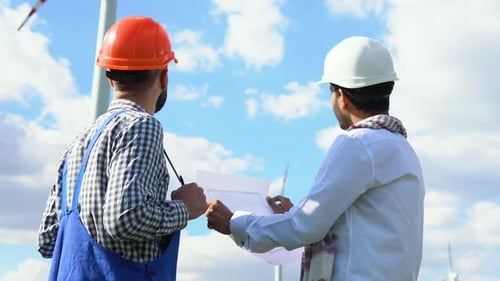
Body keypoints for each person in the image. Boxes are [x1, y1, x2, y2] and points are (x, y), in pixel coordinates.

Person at [206, 36, 425, 281]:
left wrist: (235, 224)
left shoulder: (358, 144)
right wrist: (298, 211)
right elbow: (359, 224)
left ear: (342, 96)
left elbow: (304, 226)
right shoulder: (403, 149)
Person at [38, 16, 207, 281]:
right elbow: (126, 218)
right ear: (164, 77)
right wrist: (185, 208)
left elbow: (48, 240)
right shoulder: (141, 126)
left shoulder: (77, 143)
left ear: (110, 79)